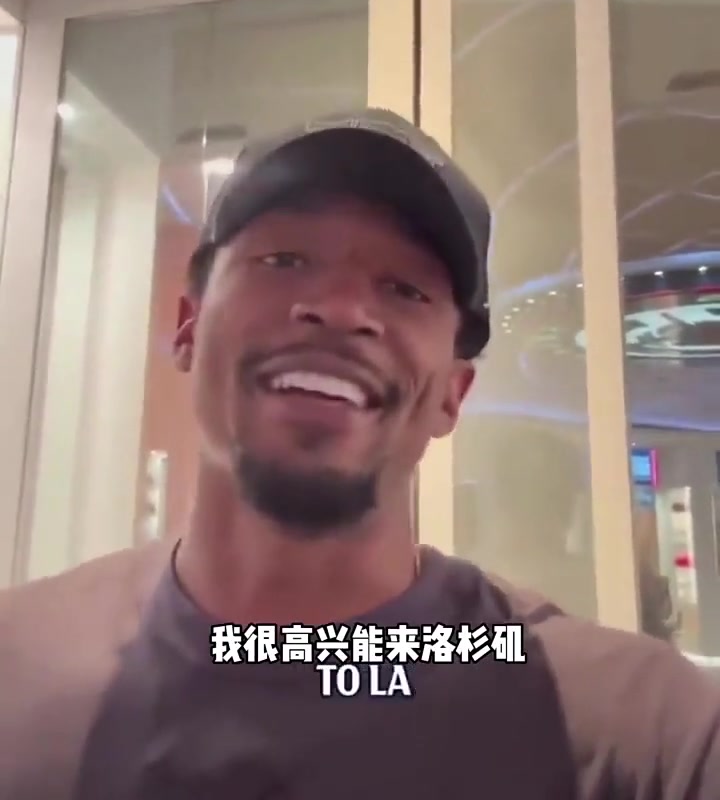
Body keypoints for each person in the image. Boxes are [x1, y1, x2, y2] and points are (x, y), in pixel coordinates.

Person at [1, 109, 719, 800]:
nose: (342, 309)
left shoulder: (637, 730)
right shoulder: (19, 664)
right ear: (187, 327)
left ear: (452, 395)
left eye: (405, 288)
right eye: (284, 259)